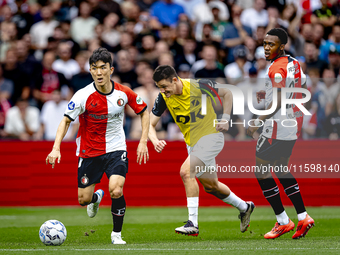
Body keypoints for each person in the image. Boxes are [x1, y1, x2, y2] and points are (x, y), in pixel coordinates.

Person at [46, 48, 150, 244]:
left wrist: (143, 141)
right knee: (83, 199)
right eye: (94, 68)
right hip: (89, 151)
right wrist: (55, 147)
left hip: (116, 148)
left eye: (103, 68)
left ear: (110, 70)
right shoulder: (82, 96)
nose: (99, 72)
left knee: (116, 190)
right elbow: (66, 121)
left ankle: (116, 234)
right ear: (90, 71)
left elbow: (144, 111)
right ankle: (95, 198)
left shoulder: (123, 92)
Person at [150, 65, 255, 236]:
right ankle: (245, 207)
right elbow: (150, 124)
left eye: (164, 86)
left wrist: (226, 118)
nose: (162, 90)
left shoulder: (197, 85)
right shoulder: (163, 97)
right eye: (159, 87)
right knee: (212, 186)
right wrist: (154, 140)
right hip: (193, 144)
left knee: (186, 172)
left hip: (212, 137)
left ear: (175, 80)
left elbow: (228, 93)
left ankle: (193, 223)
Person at [247, 28, 315, 239]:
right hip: (292, 124)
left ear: (282, 46)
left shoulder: (277, 68)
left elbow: (276, 100)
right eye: (265, 43)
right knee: (280, 168)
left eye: (271, 44)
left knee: (262, 171)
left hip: (276, 126)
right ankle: (303, 217)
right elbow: (305, 93)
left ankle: (283, 221)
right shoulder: (295, 63)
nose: (266, 48)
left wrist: (257, 122)